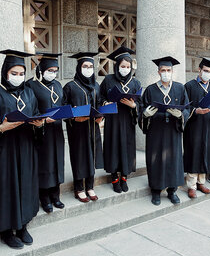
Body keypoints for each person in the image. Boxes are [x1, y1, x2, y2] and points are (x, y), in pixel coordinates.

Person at [0, 49, 45, 249]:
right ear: (5, 72)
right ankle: (6, 231)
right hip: (4, 152)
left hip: (25, 147)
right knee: (6, 188)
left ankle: (23, 226)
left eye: (21, 74)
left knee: (25, 185)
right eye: (13, 74)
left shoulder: (29, 92)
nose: (18, 77)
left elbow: (36, 114)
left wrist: (40, 124)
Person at [138, 56, 190, 206]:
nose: (166, 73)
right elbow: (142, 110)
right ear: (158, 72)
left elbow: (186, 108)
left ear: (172, 71)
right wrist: (145, 115)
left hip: (173, 132)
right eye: (163, 70)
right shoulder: (150, 90)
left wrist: (181, 115)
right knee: (156, 160)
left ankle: (172, 191)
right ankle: (156, 191)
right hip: (156, 132)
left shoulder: (180, 88)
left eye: (168, 70)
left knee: (173, 161)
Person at [26, 52, 66, 213]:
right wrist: (41, 120)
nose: (53, 73)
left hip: (56, 130)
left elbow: (63, 103)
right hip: (41, 132)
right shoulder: (31, 86)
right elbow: (29, 108)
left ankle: (56, 195)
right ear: (41, 69)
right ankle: (44, 197)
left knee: (57, 162)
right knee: (45, 163)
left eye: (55, 70)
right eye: (50, 70)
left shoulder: (57, 85)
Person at [99, 46, 141, 194]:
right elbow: (101, 96)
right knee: (113, 146)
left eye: (128, 66)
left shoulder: (135, 83)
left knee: (126, 147)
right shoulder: (108, 80)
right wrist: (105, 103)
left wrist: (133, 105)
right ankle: (114, 177)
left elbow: (140, 102)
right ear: (117, 66)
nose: (125, 69)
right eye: (122, 66)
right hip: (113, 119)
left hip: (127, 120)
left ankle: (124, 176)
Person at [63, 52, 104, 203]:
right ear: (79, 68)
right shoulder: (70, 87)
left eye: (91, 66)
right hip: (77, 129)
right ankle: (79, 188)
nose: (88, 69)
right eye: (85, 66)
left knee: (92, 156)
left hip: (93, 128)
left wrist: (101, 115)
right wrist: (74, 117)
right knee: (80, 157)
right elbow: (64, 109)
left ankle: (90, 186)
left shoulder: (96, 86)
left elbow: (99, 103)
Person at [183, 57, 210, 198]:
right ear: (199, 70)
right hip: (194, 126)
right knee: (194, 152)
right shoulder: (189, 86)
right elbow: (185, 106)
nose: (208, 73)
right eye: (205, 70)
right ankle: (191, 185)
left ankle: (201, 182)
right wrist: (196, 111)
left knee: (206, 152)